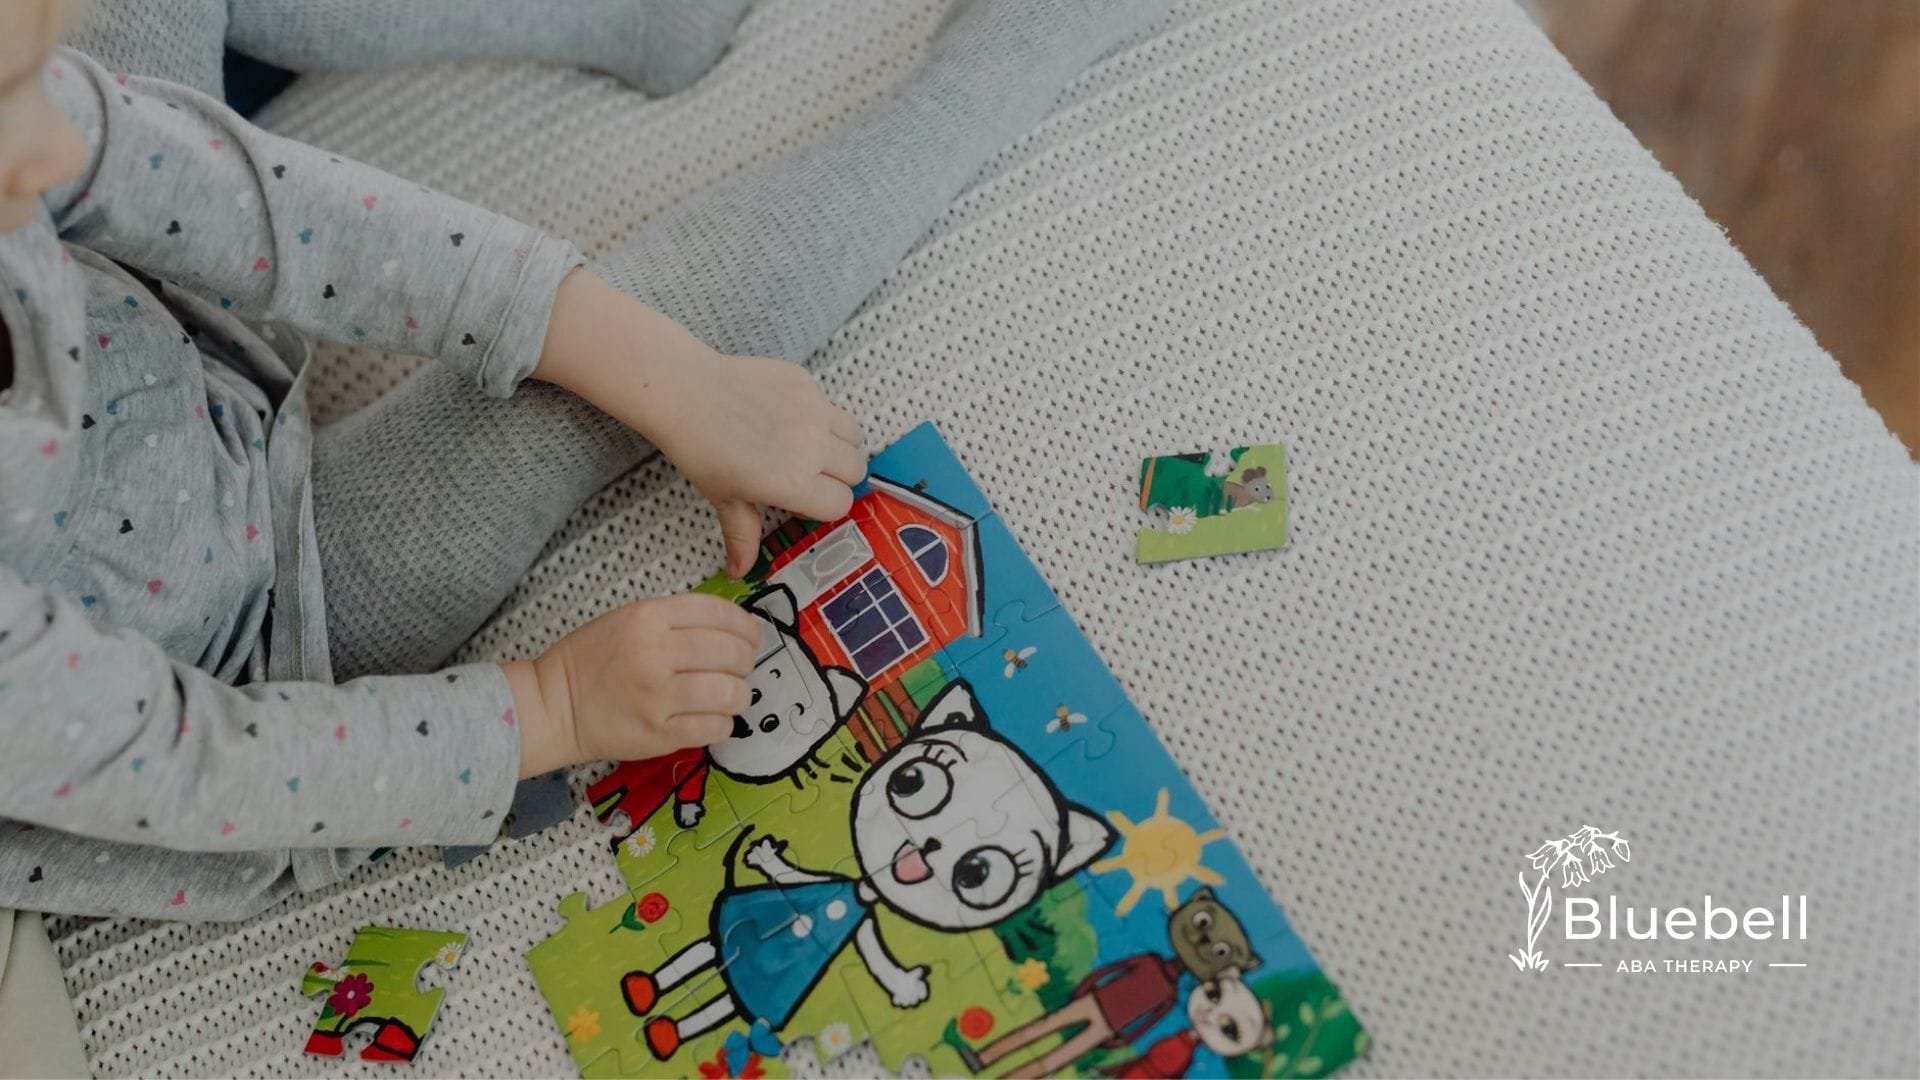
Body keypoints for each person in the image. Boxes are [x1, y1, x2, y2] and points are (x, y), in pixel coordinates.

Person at [0, 0, 1169, 1072]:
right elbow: (218, 767)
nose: (52, 145)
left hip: (157, 347)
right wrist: (551, 706)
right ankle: (1003, 68)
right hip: (257, 642)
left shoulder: (34, 126)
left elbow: (265, 204)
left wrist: (677, 385)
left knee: (648, 359)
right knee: (585, 394)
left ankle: (632, 20)